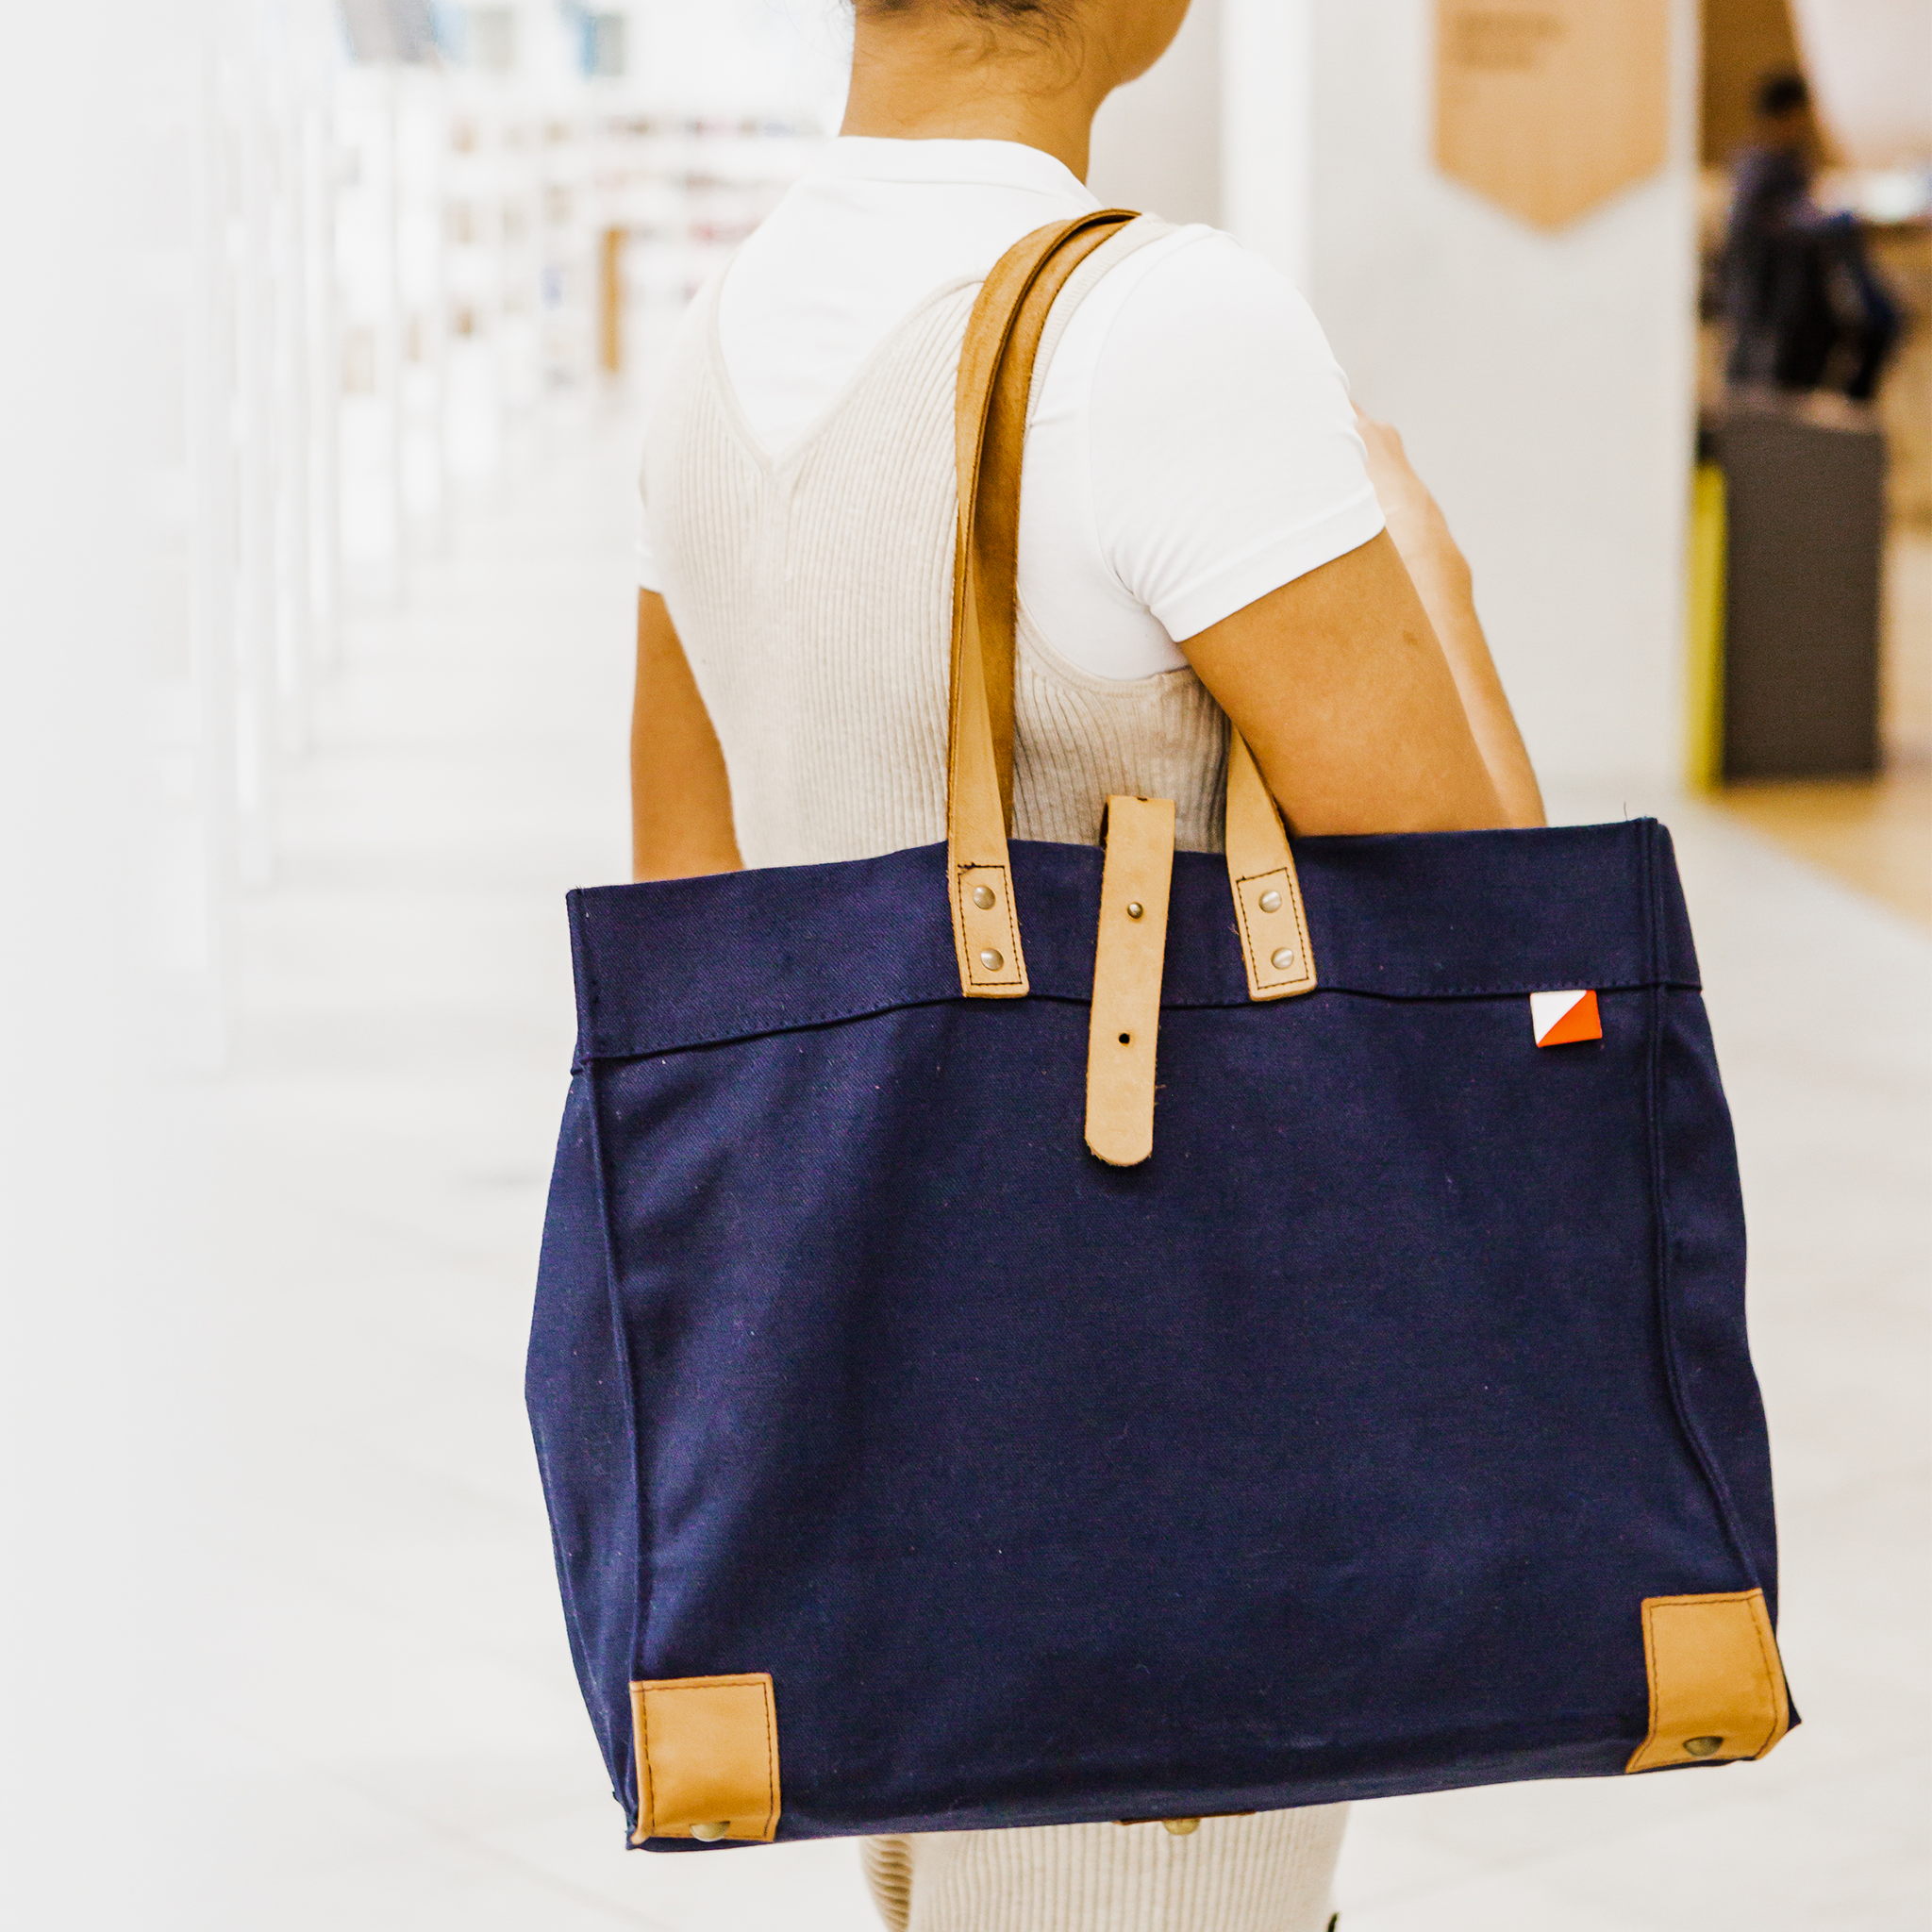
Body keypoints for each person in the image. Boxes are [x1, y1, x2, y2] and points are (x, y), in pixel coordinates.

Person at [626, 3, 1542, 1926]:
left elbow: (693, 924)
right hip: (1155, 1427)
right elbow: (1498, 972)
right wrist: (1429, 572)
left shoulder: (710, 344)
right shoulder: (1167, 325)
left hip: (868, 1412)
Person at [1723, 69, 1901, 403]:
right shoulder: (1759, 170)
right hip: (1776, 305)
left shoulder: (1787, 163)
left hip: (1796, 301)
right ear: (1787, 114)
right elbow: (1765, 239)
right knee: (1775, 390)